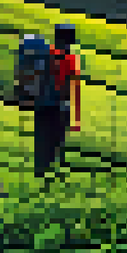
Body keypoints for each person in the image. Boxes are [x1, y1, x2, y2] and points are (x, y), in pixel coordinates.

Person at [30, 24, 84, 182]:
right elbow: (76, 88)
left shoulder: (45, 54)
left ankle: (40, 172)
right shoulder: (71, 59)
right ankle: (49, 174)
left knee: (41, 140)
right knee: (56, 142)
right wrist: (77, 117)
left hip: (42, 104)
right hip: (61, 106)